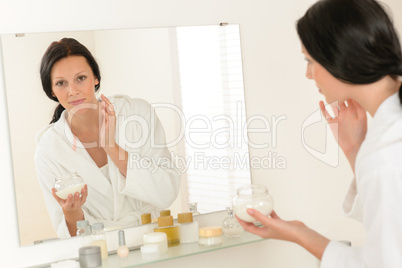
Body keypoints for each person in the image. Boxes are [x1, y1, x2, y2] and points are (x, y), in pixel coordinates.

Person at [237, 0, 402, 267]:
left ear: (343, 58)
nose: (307, 74)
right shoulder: (386, 144)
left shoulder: (386, 155)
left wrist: (303, 236)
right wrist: (355, 150)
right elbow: (390, 223)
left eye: (309, 60)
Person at [34, 38, 180, 238]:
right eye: (61, 83)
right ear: (52, 90)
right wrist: (72, 212)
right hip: (101, 249)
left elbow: (167, 191)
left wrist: (111, 147)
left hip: (154, 237)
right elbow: (69, 235)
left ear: (95, 78)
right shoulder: (49, 150)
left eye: (81, 78)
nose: (72, 91)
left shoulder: (136, 113)